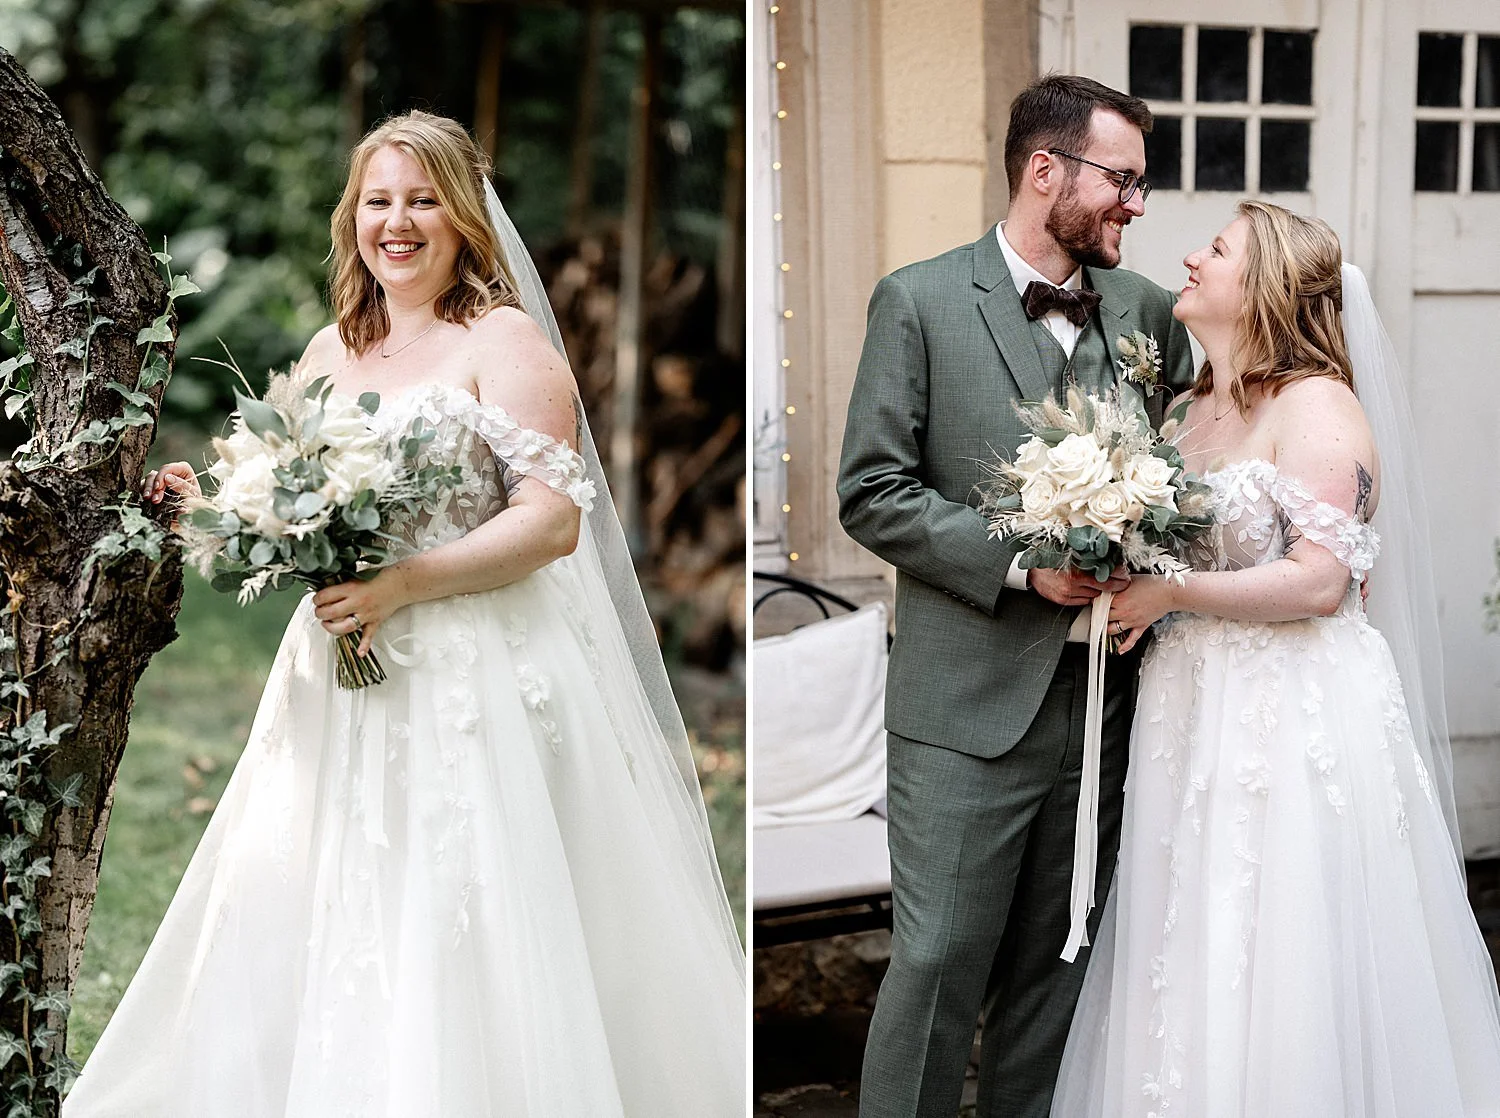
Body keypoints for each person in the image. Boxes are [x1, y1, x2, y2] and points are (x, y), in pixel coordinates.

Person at [63, 111, 745, 1116]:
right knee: (322, 893)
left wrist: (404, 585)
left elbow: (553, 521)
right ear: (355, 217)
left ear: (464, 216)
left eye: (423, 199)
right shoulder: (331, 347)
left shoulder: (504, 343)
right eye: (380, 200)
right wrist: (210, 501)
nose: (400, 221)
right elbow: (287, 499)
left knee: (461, 910)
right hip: (336, 675)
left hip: (479, 671)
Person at [1051, 200, 1500, 1115]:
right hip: (1189, 709)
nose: (1189, 258)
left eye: (1214, 250)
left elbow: (1318, 583)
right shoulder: (1183, 410)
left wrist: (1170, 595)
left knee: (1279, 935)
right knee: (1187, 931)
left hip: (1291, 712)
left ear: (1259, 287)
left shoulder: (1319, 407)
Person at [836, 74, 1194, 1118]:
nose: (1137, 203)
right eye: (1122, 180)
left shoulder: (1150, 316)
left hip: (1110, 710)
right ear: (1047, 170)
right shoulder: (920, 300)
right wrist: (1019, 560)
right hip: (964, 712)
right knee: (939, 961)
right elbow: (871, 491)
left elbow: (1192, 462)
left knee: (1061, 968)